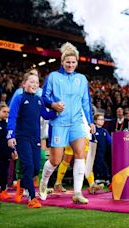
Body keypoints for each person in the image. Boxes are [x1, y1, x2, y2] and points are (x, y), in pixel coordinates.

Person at [40, 42, 95, 204]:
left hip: (76, 122)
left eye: (73, 62)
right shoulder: (53, 77)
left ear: (77, 63)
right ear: (62, 62)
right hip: (58, 122)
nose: (70, 65)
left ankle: (77, 193)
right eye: (68, 62)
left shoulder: (82, 79)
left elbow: (86, 102)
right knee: (55, 160)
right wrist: (53, 105)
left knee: (80, 155)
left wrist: (90, 121)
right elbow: (44, 98)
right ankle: (43, 184)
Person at [7, 72, 56, 208]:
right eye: (31, 82)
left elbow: (46, 115)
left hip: (36, 138)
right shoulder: (19, 98)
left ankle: (22, 184)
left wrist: (58, 110)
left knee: (35, 168)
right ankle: (32, 198)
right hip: (22, 138)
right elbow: (12, 117)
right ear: (24, 84)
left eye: (36, 82)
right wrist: (10, 136)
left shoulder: (39, 100)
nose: (34, 84)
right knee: (28, 166)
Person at [53, 114, 104, 194]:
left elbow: (88, 114)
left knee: (87, 161)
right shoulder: (74, 104)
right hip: (74, 133)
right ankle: (58, 183)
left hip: (86, 134)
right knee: (67, 160)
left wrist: (90, 125)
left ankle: (92, 184)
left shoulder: (86, 105)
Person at [92, 113, 111, 185]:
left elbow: (110, 141)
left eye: (103, 119)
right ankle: (96, 179)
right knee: (97, 164)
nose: (102, 121)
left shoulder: (105, 131)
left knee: (104, 164)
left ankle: (105, 179)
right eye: (100, 119)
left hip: (103, 152)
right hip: (94, 152)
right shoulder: (92, 130)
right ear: (95, 121)